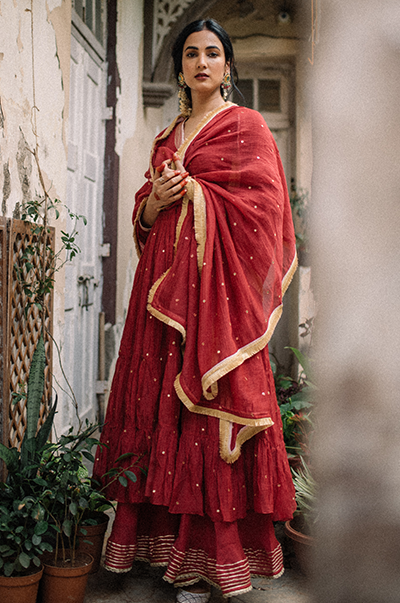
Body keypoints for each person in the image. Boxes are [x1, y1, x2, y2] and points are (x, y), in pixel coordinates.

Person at [93, 18, 298, 602]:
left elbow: (266, 211)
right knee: (161, 415)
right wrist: (156, 200)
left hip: (217, 303)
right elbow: (146, 216)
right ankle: (166, 553)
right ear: (180, 68)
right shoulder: (167, 137)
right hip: (161, 301)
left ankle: (214, 561)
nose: (201, 62)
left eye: (212, 53)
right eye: (190, 54)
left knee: (210, 411)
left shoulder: (247, 127)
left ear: (227, 66)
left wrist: (201, 195)